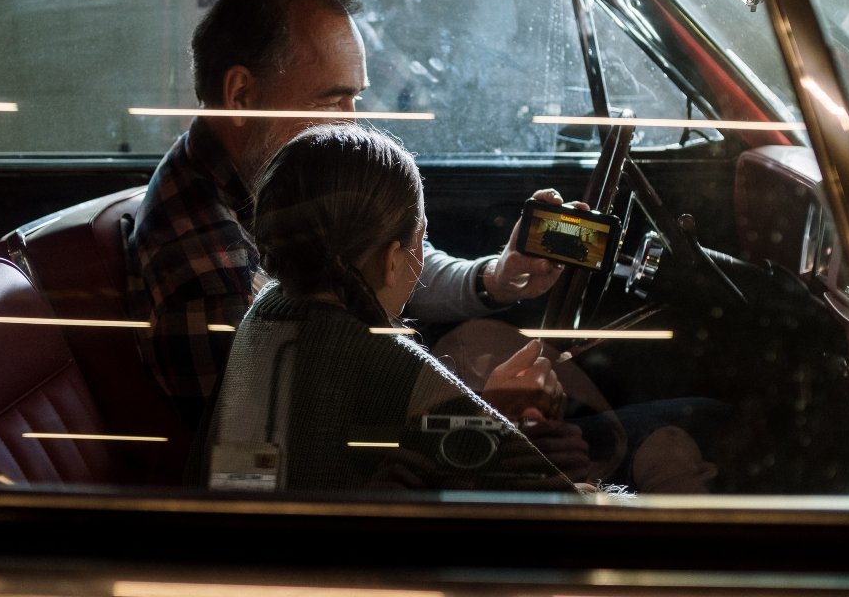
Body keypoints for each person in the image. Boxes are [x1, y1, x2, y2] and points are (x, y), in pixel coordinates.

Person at [130, 0, 569, 436]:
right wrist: (484, 421)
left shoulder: (269, 181)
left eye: (355, 99)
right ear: (241, 94)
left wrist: (493, 279)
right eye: (333, 100)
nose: (352, 124)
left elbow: (383, 269)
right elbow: (277, 452)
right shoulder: (209, 271)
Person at [201, 122, 586, 493]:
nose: (422, 259)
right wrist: (497, 417)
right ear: (390, 261)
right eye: (423, 239)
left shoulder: (260, 323)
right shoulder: (396, 371)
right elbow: (560, 512)